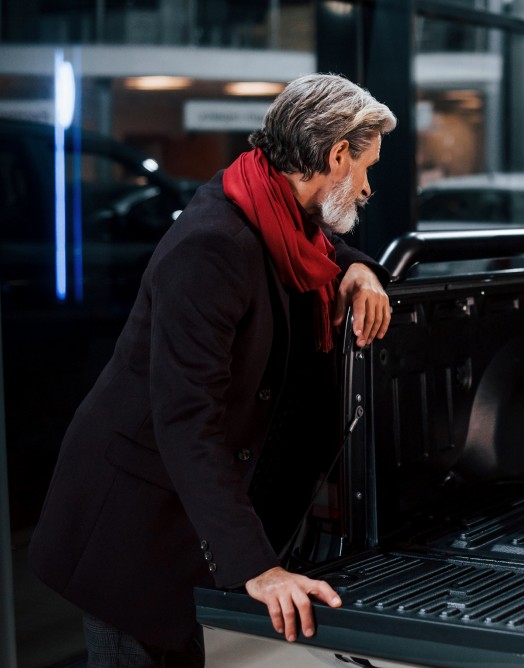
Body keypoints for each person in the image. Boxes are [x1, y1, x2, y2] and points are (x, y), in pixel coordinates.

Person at [29, 73, 397, 667]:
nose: (368, 186)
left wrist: (359, 270)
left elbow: (317, 250)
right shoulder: (212, 247)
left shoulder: (267, 203)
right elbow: (184, 419)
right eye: (366, 167)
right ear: (334, 155)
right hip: (130, 523)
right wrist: (257, 567)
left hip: (175, 510)